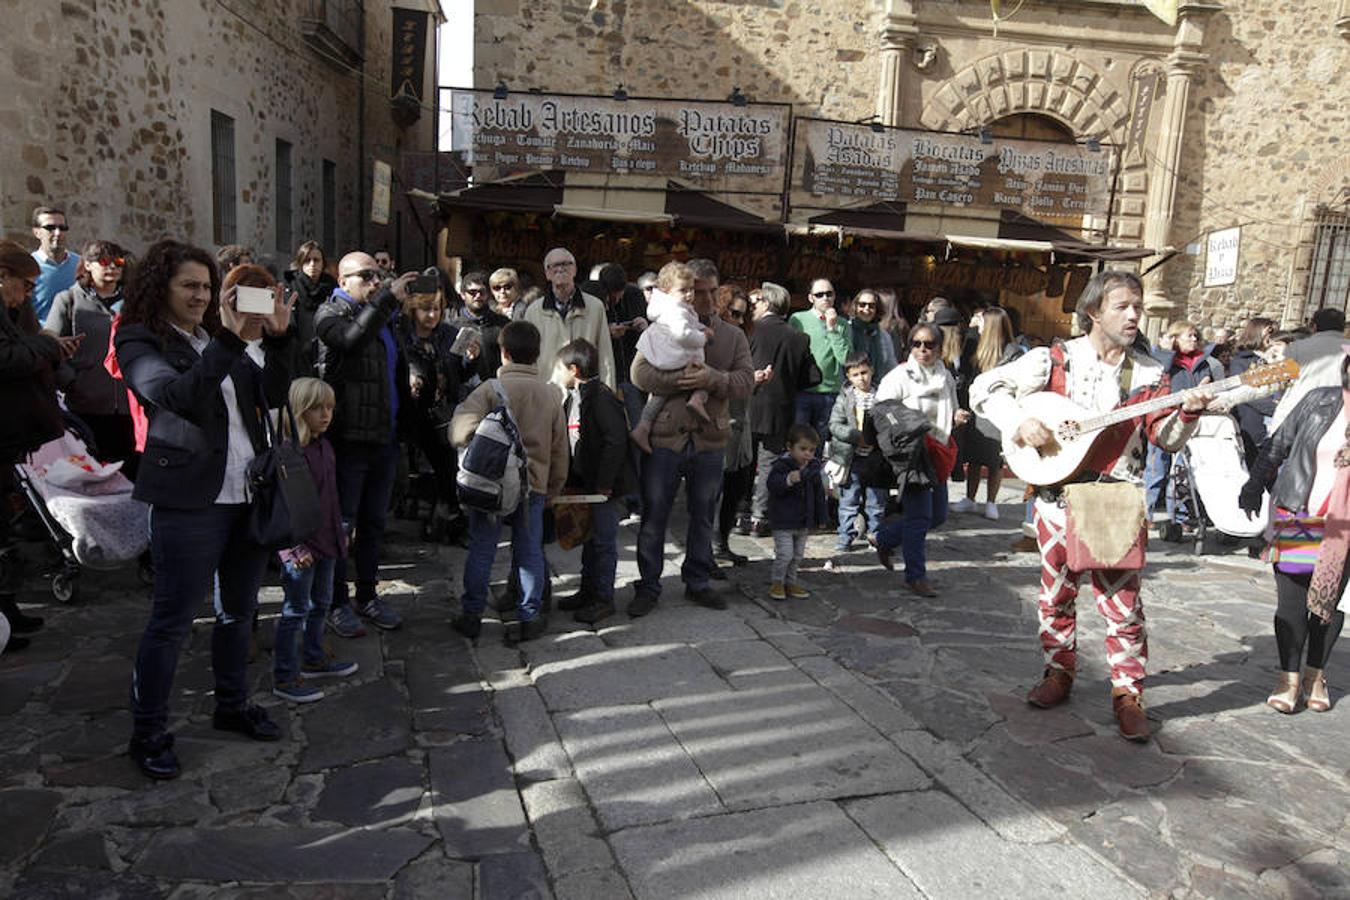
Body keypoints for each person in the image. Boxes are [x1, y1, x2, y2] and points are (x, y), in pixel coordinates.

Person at [970, 271, 1216, 743]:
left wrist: (1188, 411)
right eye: (1123, 306)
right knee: (1055, 595)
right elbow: (983, 390)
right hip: (1056, 500)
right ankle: (1057, 671)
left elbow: (1163, 437)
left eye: (1138, 306)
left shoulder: (1148, 373)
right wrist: (1021, 422)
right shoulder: (1052, 359)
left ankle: (1128, 693)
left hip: (1114, 502)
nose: (1134, 315)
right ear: (1093, 313)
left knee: (1123, 605)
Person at [115, 240, 294, 779]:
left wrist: (281, 340)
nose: (201, 296)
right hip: (189, 501)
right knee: (171, 622)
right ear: (160, 288)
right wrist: (229, 338)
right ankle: (148, 732)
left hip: (245, 493)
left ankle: (232, 704)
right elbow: (174, 397)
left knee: (240, 611)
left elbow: (275, 394)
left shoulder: (216, 340)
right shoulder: (137, 337)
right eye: (189, 286)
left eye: (207, 287)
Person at [629, 258, 753, 616]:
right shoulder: (665, 327)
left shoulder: (732, 335)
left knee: (703, 515)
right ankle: (648, 585)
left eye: (713, 291)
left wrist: (712, 379)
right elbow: (639, 374)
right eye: (699, 292)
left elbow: (745, 382)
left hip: (710, 439)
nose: (707, 299)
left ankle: (697, 580)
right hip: (665, 436)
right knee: (654, 516)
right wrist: (683, 381)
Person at [1241, 352, 1350, 714]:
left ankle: (1314, 676)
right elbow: (1278, 444)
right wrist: (1254, 485)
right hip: (1303, 514)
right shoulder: (1321, 399)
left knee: (1328, 606)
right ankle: (1288, 677)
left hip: (1345, 529)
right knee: (1292, 603)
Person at [315, 253, 417, 637]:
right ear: (343, 280)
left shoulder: (385, 319)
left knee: (375, 524)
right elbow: (350, 340)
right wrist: (386, 299)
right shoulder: (330, 313)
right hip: (348, 440)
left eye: (379, 276)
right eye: (366, 276)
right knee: (342, 526)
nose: (375, 282)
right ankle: (336, 601)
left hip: (383, 438)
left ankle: (368, 595)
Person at [449, 321, 568, 643]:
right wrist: (553, 489)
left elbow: (459, 431)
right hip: (535, 487)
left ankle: (472, 615)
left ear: (503, 353)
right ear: (538, 354)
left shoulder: (490, 389)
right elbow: (560, 450)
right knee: (529, 552)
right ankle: (529, 617)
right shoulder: (550, 394)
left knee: (482, 549)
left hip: (492, 486)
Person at [272, 377, 359, 704]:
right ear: (299, 411)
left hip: (327, 541)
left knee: (320, 603)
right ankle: (285, 675)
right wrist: (291, 549)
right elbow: (282, 506)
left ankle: (313, 656)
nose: (326, 415)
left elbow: (330, 496)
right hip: (302, 548)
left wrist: (341, 529)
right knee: (295, 610)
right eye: (317, 409)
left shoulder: (324, 445)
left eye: (330, 408)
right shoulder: (290, 453)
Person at [0, 240, 69, 650]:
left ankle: (8, 614)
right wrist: (46, 344)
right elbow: (8, 358)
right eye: (24, 286)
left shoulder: (12, 311)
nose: (27, 295)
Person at [873, 322, 965, 598]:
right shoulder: (900, 376)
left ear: (939, 347)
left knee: (937, 515)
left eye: (929, 344)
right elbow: (882, 410)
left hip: (939, 450)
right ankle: (916, 576)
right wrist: (906, 427)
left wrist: (956, 417)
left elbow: (952, 406)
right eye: (917, 344)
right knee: (920, 516)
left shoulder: (944, 376)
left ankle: (885, 539)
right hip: (913, 454)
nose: (923, 350)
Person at [554, 338, 637, 625]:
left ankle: (603, 598)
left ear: (574, 369)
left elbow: (615, 441)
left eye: (561, 368)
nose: (559, 373)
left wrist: (604, 482)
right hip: (586, 483)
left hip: (605, 488)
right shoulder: (576, 397)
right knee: (589, 540)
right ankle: (588, 591)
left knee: (603, 542)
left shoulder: (601, 398)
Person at [44, 239, 138, 477]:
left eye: (118, 262)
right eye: (104, 262)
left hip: (129, 406)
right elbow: (49, 345)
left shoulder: (133, 304)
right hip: (87, 406)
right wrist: (72, 382)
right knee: (94, 473)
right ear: (87, 264)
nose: (112, 268)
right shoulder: (68, 300)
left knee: (130, 474)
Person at [747, 282, 816, 536]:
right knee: (768, 463)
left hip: (747, 403)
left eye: (756, 302)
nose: (753, 306)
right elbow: (812, 378)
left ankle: (738, 510)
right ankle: (758, 517)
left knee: (742, 461)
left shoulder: (749, 331)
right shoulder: (798, 337)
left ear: (766, 303)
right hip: (779, 409)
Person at [397, 287, 465, 540]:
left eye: (436, 309)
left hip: (441, 412)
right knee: (413, 468)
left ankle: (447, 520)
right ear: (414, 310)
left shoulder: (448, 335)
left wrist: (470, 360)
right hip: (410, 410)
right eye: (426, 309)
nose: (432, 315)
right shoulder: (402, 336)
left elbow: (460, 373)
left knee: (445, 467)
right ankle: (416, 514)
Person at [1144, 320, 1223, 532]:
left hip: (1189, 419)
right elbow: (1156, 377)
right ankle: (1145, 513)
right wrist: (1166, 352)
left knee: (1182, 472)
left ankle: (1179, 517)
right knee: (1156, 469)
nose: (1194, 339)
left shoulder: (1203, 362)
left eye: (1196, 335)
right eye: (1188, 335)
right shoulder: (1161, 358)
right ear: (1175, 338)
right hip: (1164, 418)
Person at [629, 262, 712, 453]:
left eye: (691, 289)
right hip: (673, 357)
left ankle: (643, 427)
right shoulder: (677, 309)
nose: (689, 294)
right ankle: (697, 400)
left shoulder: (669, 306)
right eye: (683, 290)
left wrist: (699, 328)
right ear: (667, 290)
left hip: (663, 357)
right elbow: (683, 333)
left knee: (659, 395)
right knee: (702, 378)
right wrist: (702, 337)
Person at [950, 307, 1022, 519]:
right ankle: (970, 499)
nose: (977, 324)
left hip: (998, 410)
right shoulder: (976, 346)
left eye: (982, 321)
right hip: (975, 407)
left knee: (994, 458)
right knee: (973, 456)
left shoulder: (1012, 352)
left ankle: (991, 501)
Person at [523, 247, 616, 391]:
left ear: (575, 270)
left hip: (585, 391)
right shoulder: (534, 311)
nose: (560, 269)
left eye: (566, 264)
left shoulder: (594, 307)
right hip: (547, 390)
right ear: (547, 274)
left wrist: (608, 392)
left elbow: (605, 355)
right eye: (554, 266)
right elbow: (528, 358)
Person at [827, 351, 887, 567]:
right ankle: (845, 536)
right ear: (848, 377)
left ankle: (876, 536)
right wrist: (855, 436)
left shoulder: (882, 395)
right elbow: (834, 425)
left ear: (871, 371)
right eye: (855, 374)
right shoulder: (844, 398)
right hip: (852, 458)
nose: (861, 378)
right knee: (849, 500)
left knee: (876, 501)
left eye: (864, 372)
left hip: (877, 457)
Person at [714, 285, 754, 567]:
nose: (739, 320)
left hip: (741, 424)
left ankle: (722, 543)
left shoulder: (740, 337)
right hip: (719, 424)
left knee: (735, 488)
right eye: (734, 313)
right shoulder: (711, 337)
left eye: (744, 314)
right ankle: (710, 549)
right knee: (715, 491)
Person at [789, 278, 851, 455]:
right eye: (819, 294)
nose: (825, 298)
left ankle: (812, 480)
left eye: (829, 294)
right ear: (811, 298)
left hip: (829, 391)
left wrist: (832, 329)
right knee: (797, 442)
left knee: (818, 444)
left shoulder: (843, 324)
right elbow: (791, 354)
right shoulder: (797, 319)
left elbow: (845, 359)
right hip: (803, 390)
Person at [767, 424, 826, 601]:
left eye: (811, 450)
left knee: (798, 556)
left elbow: (819, 495)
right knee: (785, 554)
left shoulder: (813, 469)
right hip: (783, 520)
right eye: (802, 449)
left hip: (803, 521)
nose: (807, 454)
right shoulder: (782, 466)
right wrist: (788, 480)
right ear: (789, 447)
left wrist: (821, 517)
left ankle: (790, 582)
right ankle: (777, 582)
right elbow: (772, 485)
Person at [1271, 308, 1348, 432]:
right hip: (1335, 418)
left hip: (1294, 413)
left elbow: (1275, 381)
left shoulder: (1297, 347)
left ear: (1314, 326)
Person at [448, 269, 510, 396]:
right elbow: (451, 367)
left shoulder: (503, 324)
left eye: (482, 292)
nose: (478, 296)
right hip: (464, 394)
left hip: (497, 390)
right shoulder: (453, 327)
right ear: (463, 294)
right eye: (472, 292)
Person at [283, 240, 338, 376]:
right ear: (301, 263)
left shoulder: (332, 288)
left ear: (323, 263)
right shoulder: (291, 287)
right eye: (307, 260)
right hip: (299, 351)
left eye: (316, 260)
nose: (312, 265)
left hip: (326, 353)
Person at [30, 206, 79, 323]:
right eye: (50, 228)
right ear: (37, 232)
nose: (57, 233)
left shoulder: (80, 264)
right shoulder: (28, 266)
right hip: (41, 338)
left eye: (62, 228)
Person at [849, 288, 898, 378]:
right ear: (855, 307)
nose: (866, 309)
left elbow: (891, 365)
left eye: (871, 306)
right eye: (862, 305)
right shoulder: (847, 331)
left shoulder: (883, 336)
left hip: (878, 387)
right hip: (851, 388)